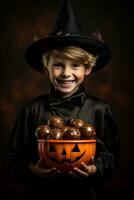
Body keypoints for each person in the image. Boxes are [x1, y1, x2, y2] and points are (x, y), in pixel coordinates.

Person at [6, 0, 120, 200]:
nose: (66, 73)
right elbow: (11, 160)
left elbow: (114, 158)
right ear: (46, 67)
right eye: (58, 65)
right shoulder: (31, 110)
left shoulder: (100, 109)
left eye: (75, 65)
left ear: (88, 68)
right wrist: (33, 170)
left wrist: (94, 169)